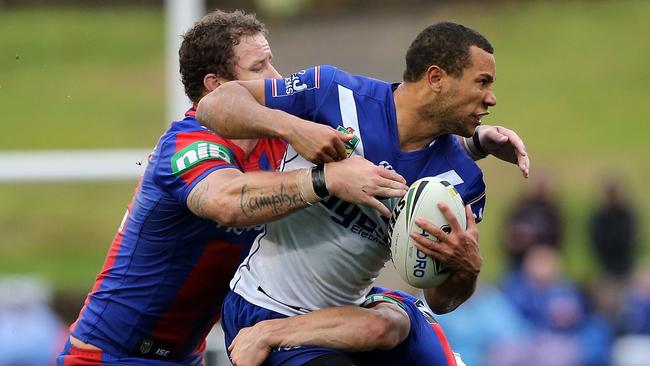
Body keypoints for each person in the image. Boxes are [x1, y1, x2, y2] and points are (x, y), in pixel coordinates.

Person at [57, 10, 410, 366]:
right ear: (216, 86)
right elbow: (227, 200)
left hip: (184, 357)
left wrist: (465, 147)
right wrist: (323, 181)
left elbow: (380, 138)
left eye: (272, 63)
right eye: (258, 69)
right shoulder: (186, 143)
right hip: (108, 354)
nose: (276, 78)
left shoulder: (282, 140)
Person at [197, 21, 523, 365]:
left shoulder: (463, 183)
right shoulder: (332, 92)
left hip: (351, 316)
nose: (492, 98)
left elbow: (441, 300)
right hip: (266, 307)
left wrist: (466, 269)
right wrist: (294, 128)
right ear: (436, 78)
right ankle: (271, 336)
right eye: (482, 82)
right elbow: (214, 106)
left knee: (394, 328)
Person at [502, 174, 563, 269]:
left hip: (546, 264)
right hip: (519, 264)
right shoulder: (520, 209)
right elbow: (508, 238)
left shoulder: (553, 212)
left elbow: (559, 240)